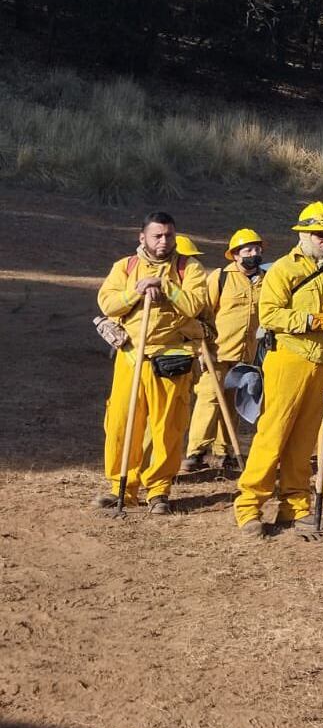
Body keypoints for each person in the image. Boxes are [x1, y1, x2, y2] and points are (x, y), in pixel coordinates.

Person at [232, 202, 323, 538]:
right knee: (273, 435)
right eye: (320, 234)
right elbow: (270, 316)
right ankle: (249, 506)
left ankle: (295, 504)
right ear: (304, 234)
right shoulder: (284, 270)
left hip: (321, 363)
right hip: (287, 358)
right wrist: (312, 320)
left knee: (303, 441)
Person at [94, 212, 208, 514]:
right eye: (157, 235)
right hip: (131, 357)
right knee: (121, 423)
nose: (163, 241)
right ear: (141, 237)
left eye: (169, 235)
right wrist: (138, 289)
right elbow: (108, 303)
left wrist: (167, 287)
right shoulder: (125, 267)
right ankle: (122, 487)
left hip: (170, 360)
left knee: (168, 426)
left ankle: (159, 490)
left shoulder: (189, 268)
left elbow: (197, 305)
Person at [184, 228, 265, 473]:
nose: (254, 253)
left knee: (234, 402)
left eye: (257, 249)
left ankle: (224, 451)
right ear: (235, 255)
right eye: (248, 250)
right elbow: (201, 312)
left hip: (245, 355)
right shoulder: (221, 278)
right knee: (209, 398)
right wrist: (201, 348)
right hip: (217, 351)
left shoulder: (266, 279)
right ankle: (195, 452)